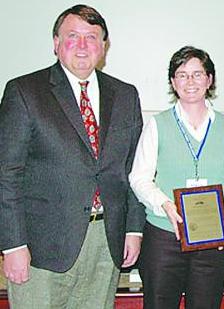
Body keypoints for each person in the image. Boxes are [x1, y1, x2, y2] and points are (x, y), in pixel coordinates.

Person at [0, 4, 145, 309]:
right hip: (41, 247)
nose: (82, 45)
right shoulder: (25, 91)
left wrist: (133, 229)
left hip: (106, 241)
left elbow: (134, 170)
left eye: (92, 37)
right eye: (72, 36)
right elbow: (6, 174)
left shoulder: (126, 95)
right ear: (55, 43)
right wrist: (13, 245)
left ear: (103, 46)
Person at [129, 45, 224, 309]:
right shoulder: (157, 124)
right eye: (182, 74)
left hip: (212, 237)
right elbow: (139, 177)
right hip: (164, 235)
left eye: (198, 74)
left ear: (209, 80)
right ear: (173, 82)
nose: (190, 81)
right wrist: (164, 204)